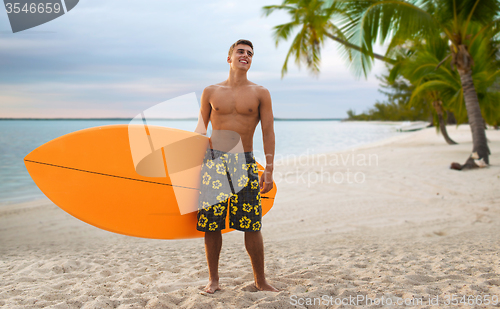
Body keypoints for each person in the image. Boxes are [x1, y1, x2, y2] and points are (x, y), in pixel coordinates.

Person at [194, 39, 278, 294]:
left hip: (246, 161)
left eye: (250, 53)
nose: (246, 55)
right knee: (212, 224)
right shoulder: (210, 91)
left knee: (252, 224)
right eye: (240, 51)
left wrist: (270, 169)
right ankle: (213, 280)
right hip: (215, 161)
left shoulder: (260, 92)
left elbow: (268, 131)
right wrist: (190, 160)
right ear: (229, 58)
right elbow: (200, 129)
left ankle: (260, 281)